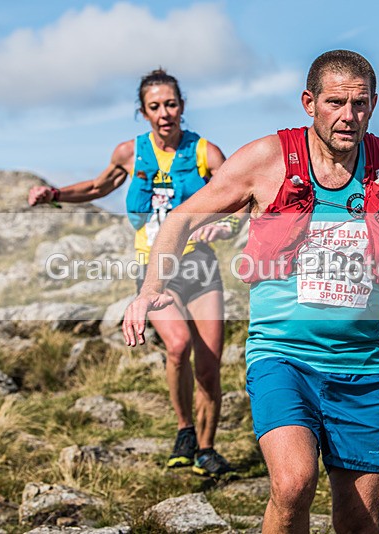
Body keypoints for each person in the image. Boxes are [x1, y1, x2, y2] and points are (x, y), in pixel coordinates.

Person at [122, 51, 379, 533]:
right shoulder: (267, 159)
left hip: (361, 363)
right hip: (282, 356)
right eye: (335, 103)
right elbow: (181, 220)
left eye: (361, 104)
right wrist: (151, 288)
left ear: (373, 104)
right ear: (310, 102)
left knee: (361, 520)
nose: (349, 117)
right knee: (293, 484)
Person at [28, 69, 240, 478]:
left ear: (182, 106)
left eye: (171, 104)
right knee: (177, 345)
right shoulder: (131, 152)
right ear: (143, 112)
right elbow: (96, 187)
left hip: (200, 266)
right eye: (155, 106)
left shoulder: (205, 152)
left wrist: (227, 225)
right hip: (154, 271)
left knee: (209, 365)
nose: (165, 113)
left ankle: (206, 449)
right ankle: (184, 432)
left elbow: (241, 195)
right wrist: (54, 195)